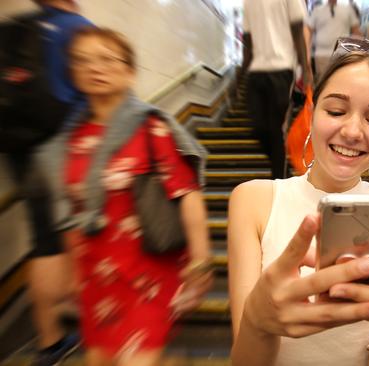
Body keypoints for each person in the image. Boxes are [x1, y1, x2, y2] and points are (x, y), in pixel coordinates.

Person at [228, 41, 369, 366]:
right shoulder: (254, 200)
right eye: (336, 111)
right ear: (311, 112)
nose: (352, 131)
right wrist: (258, 321)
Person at [45, 27, 213, 365]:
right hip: (95, 276)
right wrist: (69, 272)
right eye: (83, 61)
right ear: (73, 73)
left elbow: (187, 194)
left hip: (147, 272)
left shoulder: (153, 129)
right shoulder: (70, 141)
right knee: (99, 359)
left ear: (129, 71)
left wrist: (201, 258)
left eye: (106, 59)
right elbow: (70, 213)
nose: (95, 68)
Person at [2, 1, 92, 364]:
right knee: (82, 234)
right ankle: (96, 321)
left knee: (44, 244)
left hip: (22, 152)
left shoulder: (17, 28)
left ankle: (49, 340)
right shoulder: (76, 27)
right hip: (66, 151)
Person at [242, 0, 313, 179]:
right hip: (256, 70)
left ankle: (279, 178)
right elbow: (248, 37)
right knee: (258, 128)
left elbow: (298, 30)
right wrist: (242, 72)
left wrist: (305, 69)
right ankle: (281, 166)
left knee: (275, 129)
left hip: (282, 68)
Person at [308, 0, 361, 79]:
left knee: (341, 81)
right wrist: (307, 55)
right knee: (322, 83)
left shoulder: (348, 9)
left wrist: (358, 53)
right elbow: (308, 32)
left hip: (342, 55)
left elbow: (356, 32)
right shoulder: (317, 10)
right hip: (321, 55)